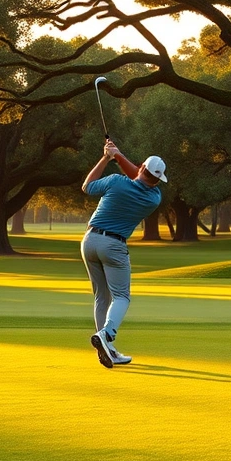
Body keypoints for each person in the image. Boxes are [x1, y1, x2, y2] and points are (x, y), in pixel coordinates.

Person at [81, 139, 167, 368]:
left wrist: (107, 157)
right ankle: (107, 335)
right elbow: (140, 178)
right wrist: (117, 156)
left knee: (102, 297)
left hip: (89, 240)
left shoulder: (116, 181)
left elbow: (87, 186)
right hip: (114, 245)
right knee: (121, 297)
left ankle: (107, 349)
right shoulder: (153, 198)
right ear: (158, 179)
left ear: (141, 168)